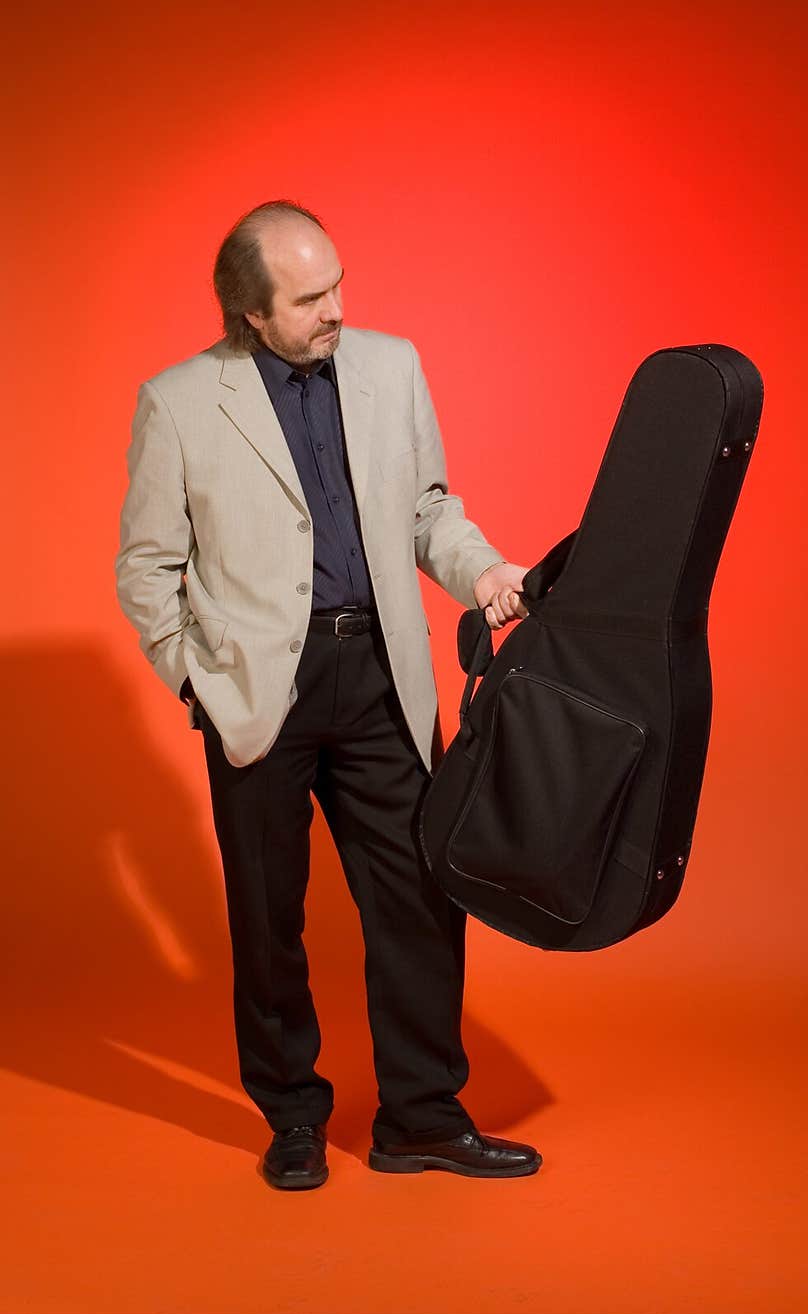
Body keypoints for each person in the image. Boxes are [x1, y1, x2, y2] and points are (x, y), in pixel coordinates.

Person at [115, 200, 541, 1190]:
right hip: (258, 689)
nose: (336, 307)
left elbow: (431, 508)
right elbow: (146, 570)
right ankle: (293, 1117)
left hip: (381, 674)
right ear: (250, 314)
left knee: (424, 901)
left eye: (339, 283)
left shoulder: (392, 367)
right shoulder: (178, 401)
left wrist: (481, 572)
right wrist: (200, 680)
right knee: (269, 920)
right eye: (309, 297)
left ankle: (420, 1118)